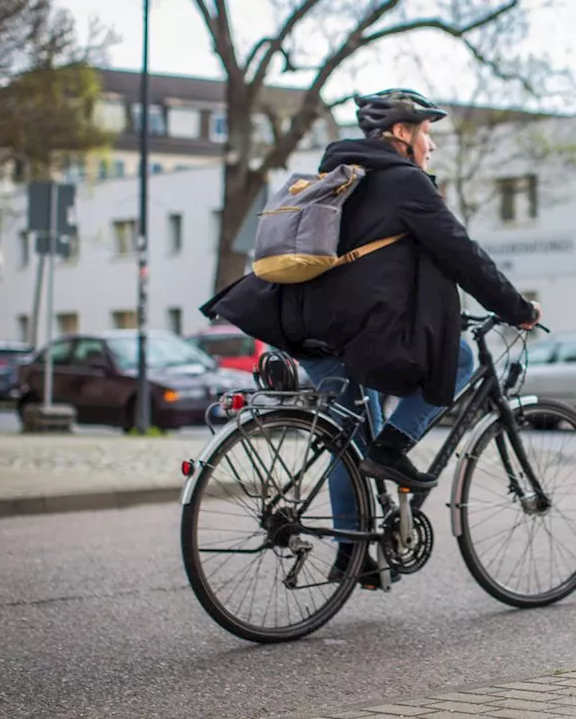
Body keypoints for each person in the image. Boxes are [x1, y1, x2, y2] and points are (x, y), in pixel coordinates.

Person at [199, 87, 541, 587]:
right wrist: (516, 308)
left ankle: (353, 556)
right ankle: (393, 450)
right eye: (427, 132)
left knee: (349, 441)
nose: (432, 145)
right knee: (461, 359)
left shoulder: (341, 176)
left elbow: (380, 268)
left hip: (303, 325)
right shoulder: (404, 183)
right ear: (402, 134)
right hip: (354, 332)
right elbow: (461, 253)